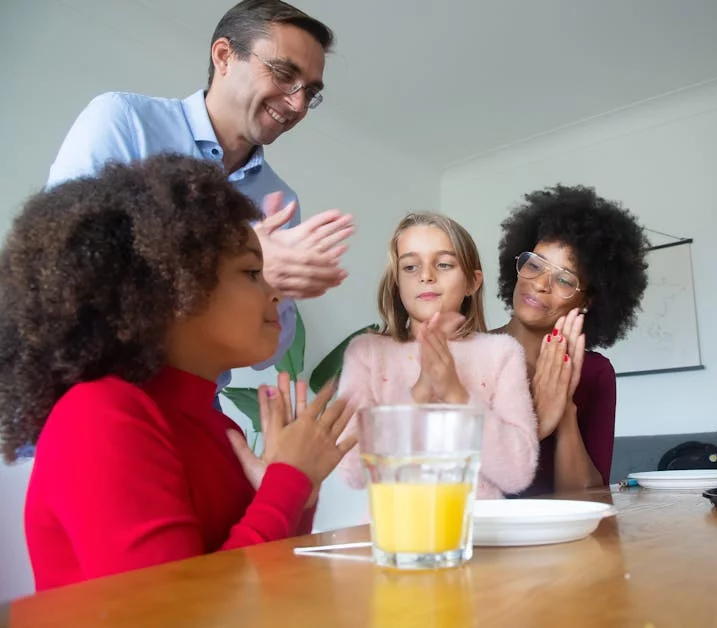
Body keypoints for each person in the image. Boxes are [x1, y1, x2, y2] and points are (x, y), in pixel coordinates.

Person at [0, 155, 356, 591]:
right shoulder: (98, 414)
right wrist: (289, 480)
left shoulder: (221, 428)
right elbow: (173, 611)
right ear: (174, 288)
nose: (274, 291)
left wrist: (298, 488)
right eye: (250, 272)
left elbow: (268, 587)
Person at [45, 0, 354, 390]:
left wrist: (273, 289)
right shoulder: (123, 120)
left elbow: (270, 354)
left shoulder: (279, 198)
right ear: (224, 56)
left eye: (310, 92)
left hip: (193, 414)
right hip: (91, 397)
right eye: (282, 73)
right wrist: (245, 268)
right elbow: (63, 263)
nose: (297, 104)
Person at [336, 213, 539, 498]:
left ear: (472, 282)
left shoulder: (502, 353)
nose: (426, 275)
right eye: (409, 266)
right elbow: (352, 470)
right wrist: (419, 393)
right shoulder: (367, 354)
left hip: (482, 536)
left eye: (444, 264)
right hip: (396, 534)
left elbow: (518, 474)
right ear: (397, 283)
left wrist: (457, 394)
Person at [491, 184, 649, 495]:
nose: (539, 285)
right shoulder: (472, 352)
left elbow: (587, 498)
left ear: (588, 301)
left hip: (567, 540)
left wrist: (564, 412)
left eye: (564, 279)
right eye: (535, 264)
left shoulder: (595, 374)